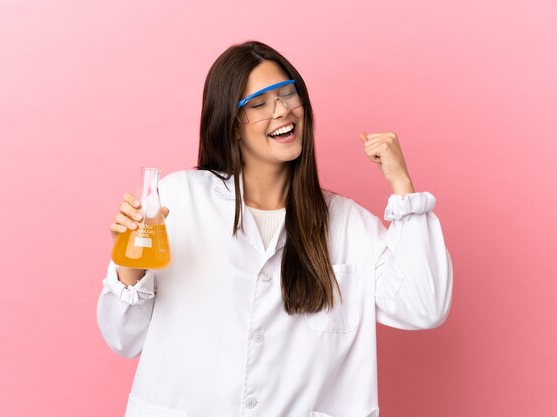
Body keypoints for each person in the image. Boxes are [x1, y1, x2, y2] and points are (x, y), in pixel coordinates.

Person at [97, 40, 453, 417]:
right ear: (231, 126)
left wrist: (403, 188)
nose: (282, 110)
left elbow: (425, 307)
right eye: (259, 103)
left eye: (288, 93)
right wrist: (129, 264)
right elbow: (123, 338)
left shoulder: (347, 224)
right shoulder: (179, 200)